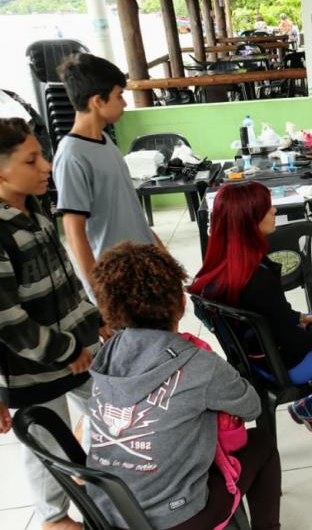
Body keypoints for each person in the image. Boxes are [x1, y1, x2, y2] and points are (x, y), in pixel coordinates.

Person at [88, 242, 280, 530]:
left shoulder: (108, 353)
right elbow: (251, 406)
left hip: (107, 513)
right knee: (262, 443)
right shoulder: (199, 364)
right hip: (177, 519)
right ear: (180, 303)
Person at [0, 118, 102, 530]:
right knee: (44, 440)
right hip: (34, 368)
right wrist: (67, 349)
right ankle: (54, 519)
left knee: (113, 410)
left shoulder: (35, 210)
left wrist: (96, 323)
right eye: (32, 159)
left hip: (75, 350)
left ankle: (89, 475)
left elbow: (65, 281)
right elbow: (10, 322)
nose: (46, 166)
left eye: (41, 155)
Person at [188, 181, 312, 385]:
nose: (274, 210)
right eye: (268, 207)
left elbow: (271, 315)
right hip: (282, 366)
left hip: (256, 358)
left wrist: (300, 318)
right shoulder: (258, 279)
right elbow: (295, 344)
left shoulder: (223, 268)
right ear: (249, 221)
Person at [52, 53, 161, 302]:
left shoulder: (106, 142)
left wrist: (160, 254)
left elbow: (129, 210)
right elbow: (74, 232)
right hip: (117, 280)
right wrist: (100, 294)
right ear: (97, 101)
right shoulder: (72, 156)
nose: (124, 103)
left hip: (144, 267)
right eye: (119, 95)